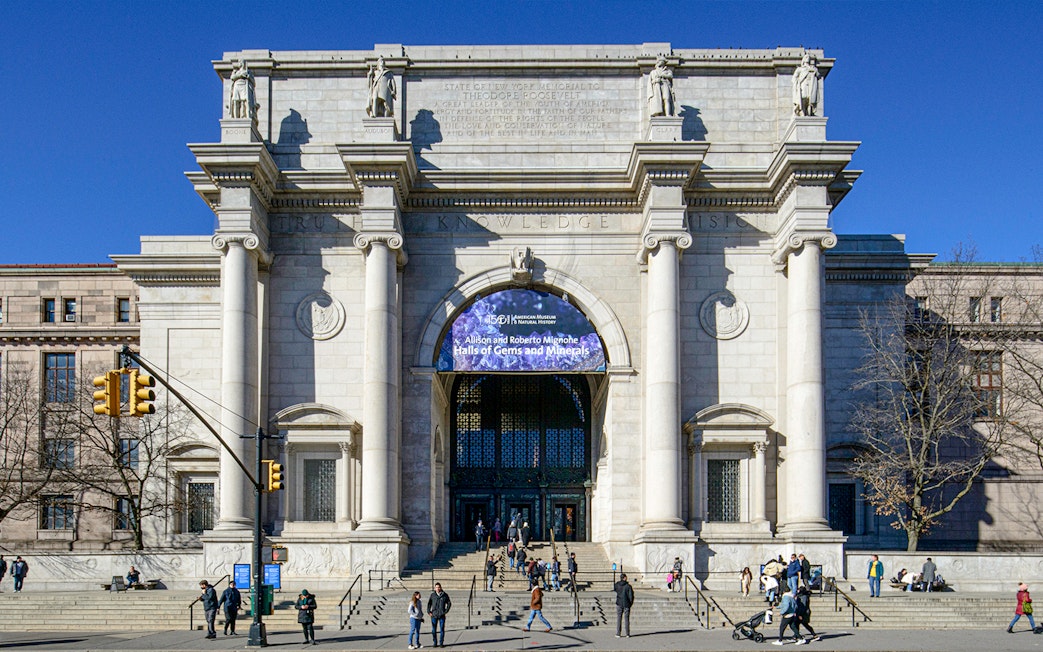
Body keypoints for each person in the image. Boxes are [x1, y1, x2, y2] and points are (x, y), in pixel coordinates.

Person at [791, 52, 821, 117]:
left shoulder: (813, 68)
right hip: (803, 85)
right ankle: (802, 112)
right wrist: (797, 84)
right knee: (803, 98)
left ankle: (809, 113)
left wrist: (816, 72)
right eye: (806, 57)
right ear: (803, 60)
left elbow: (819, 76)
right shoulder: (800, 69)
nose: (808, 59)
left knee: (810, 99)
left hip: (811, 85)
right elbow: (794, 78)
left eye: (809, 58)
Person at [427, 582, 451, 648]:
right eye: (436, 587)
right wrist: (429, 611)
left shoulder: (444, 595)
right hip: (434, 615)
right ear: (435, 588)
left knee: (442, 629)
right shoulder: (432, 595)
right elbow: (429, 603)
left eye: (438, 587)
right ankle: (435, 642)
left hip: (441, 615)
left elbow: (449, 603)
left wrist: (446, 611)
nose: (437, 588)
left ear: (440, 587)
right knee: (434, 630)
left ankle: (441, 643)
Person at [614, 572, 634, 638]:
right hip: (626, 603)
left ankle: (618, 633)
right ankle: (627, 633)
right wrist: (630, 603)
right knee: (626, 619)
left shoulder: (617, 585)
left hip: (619, 603)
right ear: (624, 578)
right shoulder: (628, 586)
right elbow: (631, 596)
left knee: (619, 618)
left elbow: (615, 590)